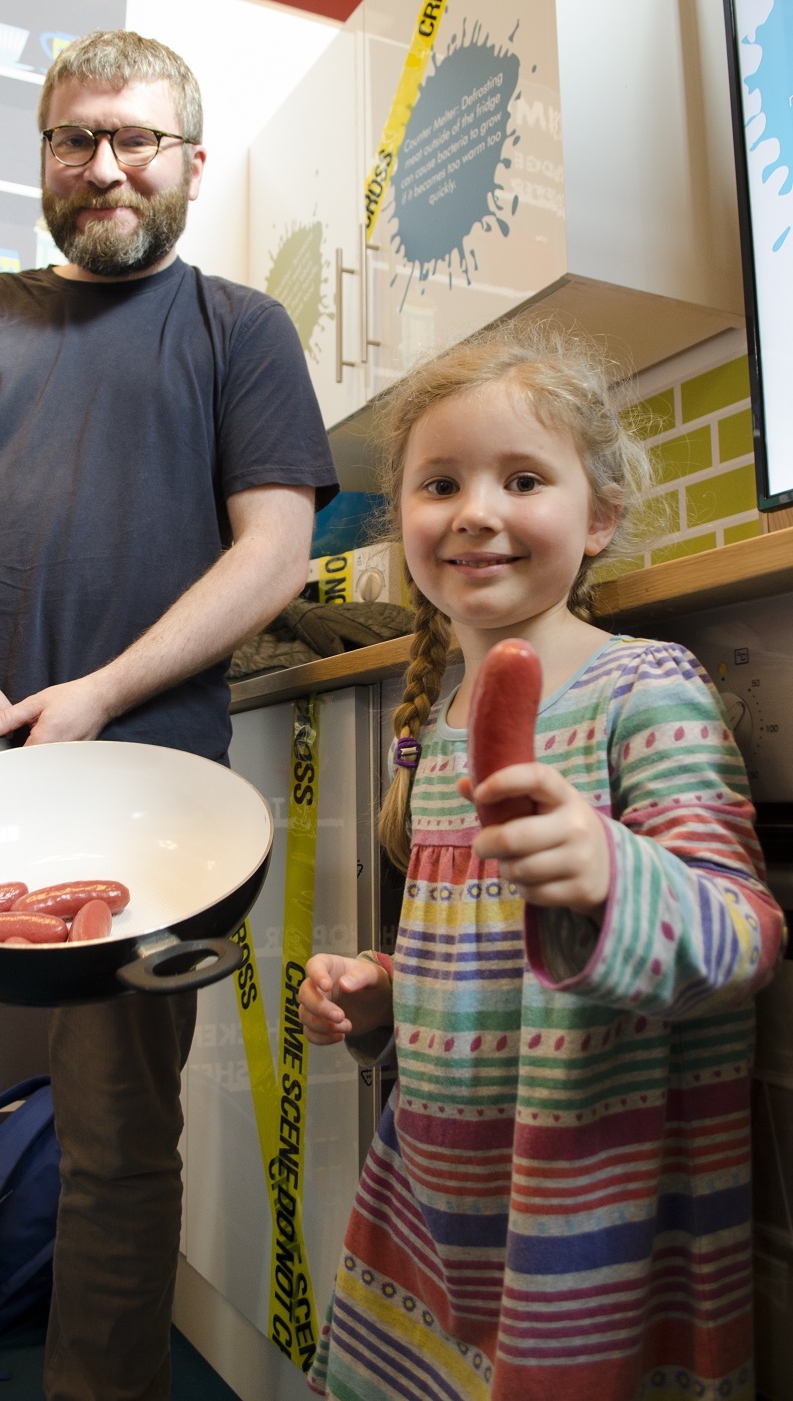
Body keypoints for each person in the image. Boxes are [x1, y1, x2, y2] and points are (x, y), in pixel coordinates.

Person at [0, 28, 338, 1401]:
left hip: (151, 808)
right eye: (76, 138)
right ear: (45, 154)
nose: (105, 165)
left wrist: (105, 693)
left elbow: (274, 549)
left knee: (120, 1149)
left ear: (189, 161)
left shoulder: (242, 329)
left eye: (136, 139)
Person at [298, 321, 784, 1401]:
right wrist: (379, 991)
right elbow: (457, 952)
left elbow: (743, 931)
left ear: (598, 515)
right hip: (432, 1204)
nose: (475, 511)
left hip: (583, 1216)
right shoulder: (430, 729)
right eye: (439, 483)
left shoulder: (643, 688)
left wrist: (613, 869)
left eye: (521, 477)